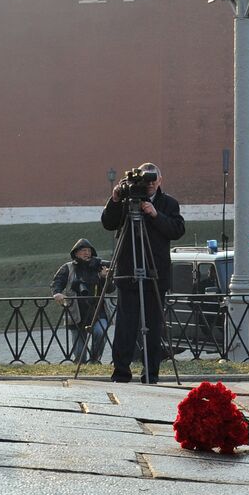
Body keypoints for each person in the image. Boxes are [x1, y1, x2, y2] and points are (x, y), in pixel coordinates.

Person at [101, 162, 185, 383]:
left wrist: (156, 215)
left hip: (155, 273)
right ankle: (121, 372)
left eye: (152, 181)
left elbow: (177, 230)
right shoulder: (127, 201)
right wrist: (116, 200)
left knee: (153, 327)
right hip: (128, 272)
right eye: (144, 181)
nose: (148, 185)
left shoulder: (168, 204)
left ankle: (151, 374)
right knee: (125, 326)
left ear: (160, 181)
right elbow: (108, 223)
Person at [52, 238, 107, 364]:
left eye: (88, 250)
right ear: (76, 253)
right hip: (77, 311)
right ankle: (80, 365)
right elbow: (57, 282)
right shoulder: (68, 268)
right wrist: (57, 293)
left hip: (97, 310)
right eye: (83, 250)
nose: (87, 253)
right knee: (79, 347)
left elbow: (110, 289)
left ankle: (95, 361)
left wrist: (105, 278)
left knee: (100, 332)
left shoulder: (98, 268)